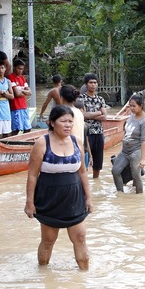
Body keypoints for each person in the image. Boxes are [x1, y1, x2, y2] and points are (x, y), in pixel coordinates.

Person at [23, 105, 92, 270]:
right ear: (52, 123)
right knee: (48, 241)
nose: (68, 125)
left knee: (80, 237)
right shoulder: (42, 143)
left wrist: (88, 197)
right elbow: (32, 175)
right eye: (63, 121)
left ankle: (84, 278)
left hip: (74, 199)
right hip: (49, 199)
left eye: (70, 121)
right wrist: (29, 202)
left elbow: (82, 172)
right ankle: (43, 275)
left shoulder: (77, 142)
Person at [112, 94, 145, 194]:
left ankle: (139, 198)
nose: (131, 108)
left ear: (141, 106)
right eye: (130, 106)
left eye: (134, 106)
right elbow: (126, 133)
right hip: (125, 151)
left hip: (136, 151)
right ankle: (120, 194)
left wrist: (142, 159)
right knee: (115, 171)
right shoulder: (131, 116)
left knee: (136, 176)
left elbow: (144, 140)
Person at [82, 73, 108, 179]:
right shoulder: (81, 98)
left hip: (99, 132)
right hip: (87, 133)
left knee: (98, 161)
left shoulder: (100, 99)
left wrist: (90, 115)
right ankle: (85, 182)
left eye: (95, 82)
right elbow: (83, 116)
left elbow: (105, 116)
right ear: (86, 84)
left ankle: (96, 181)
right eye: (90, 83)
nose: (93, 85)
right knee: (86, 159)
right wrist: (98, 113)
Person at [8, 59, 33, 135]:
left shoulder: (22, 78)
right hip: (15, 107)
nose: (20, 71)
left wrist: (21, 91)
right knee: (16, 129)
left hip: (24, 106)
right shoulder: (11, 77)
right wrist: (24, 92)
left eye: (22, 69)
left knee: (27, 129)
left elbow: (30, 92)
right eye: (19, 68)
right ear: (15, 67)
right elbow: (17, 94)